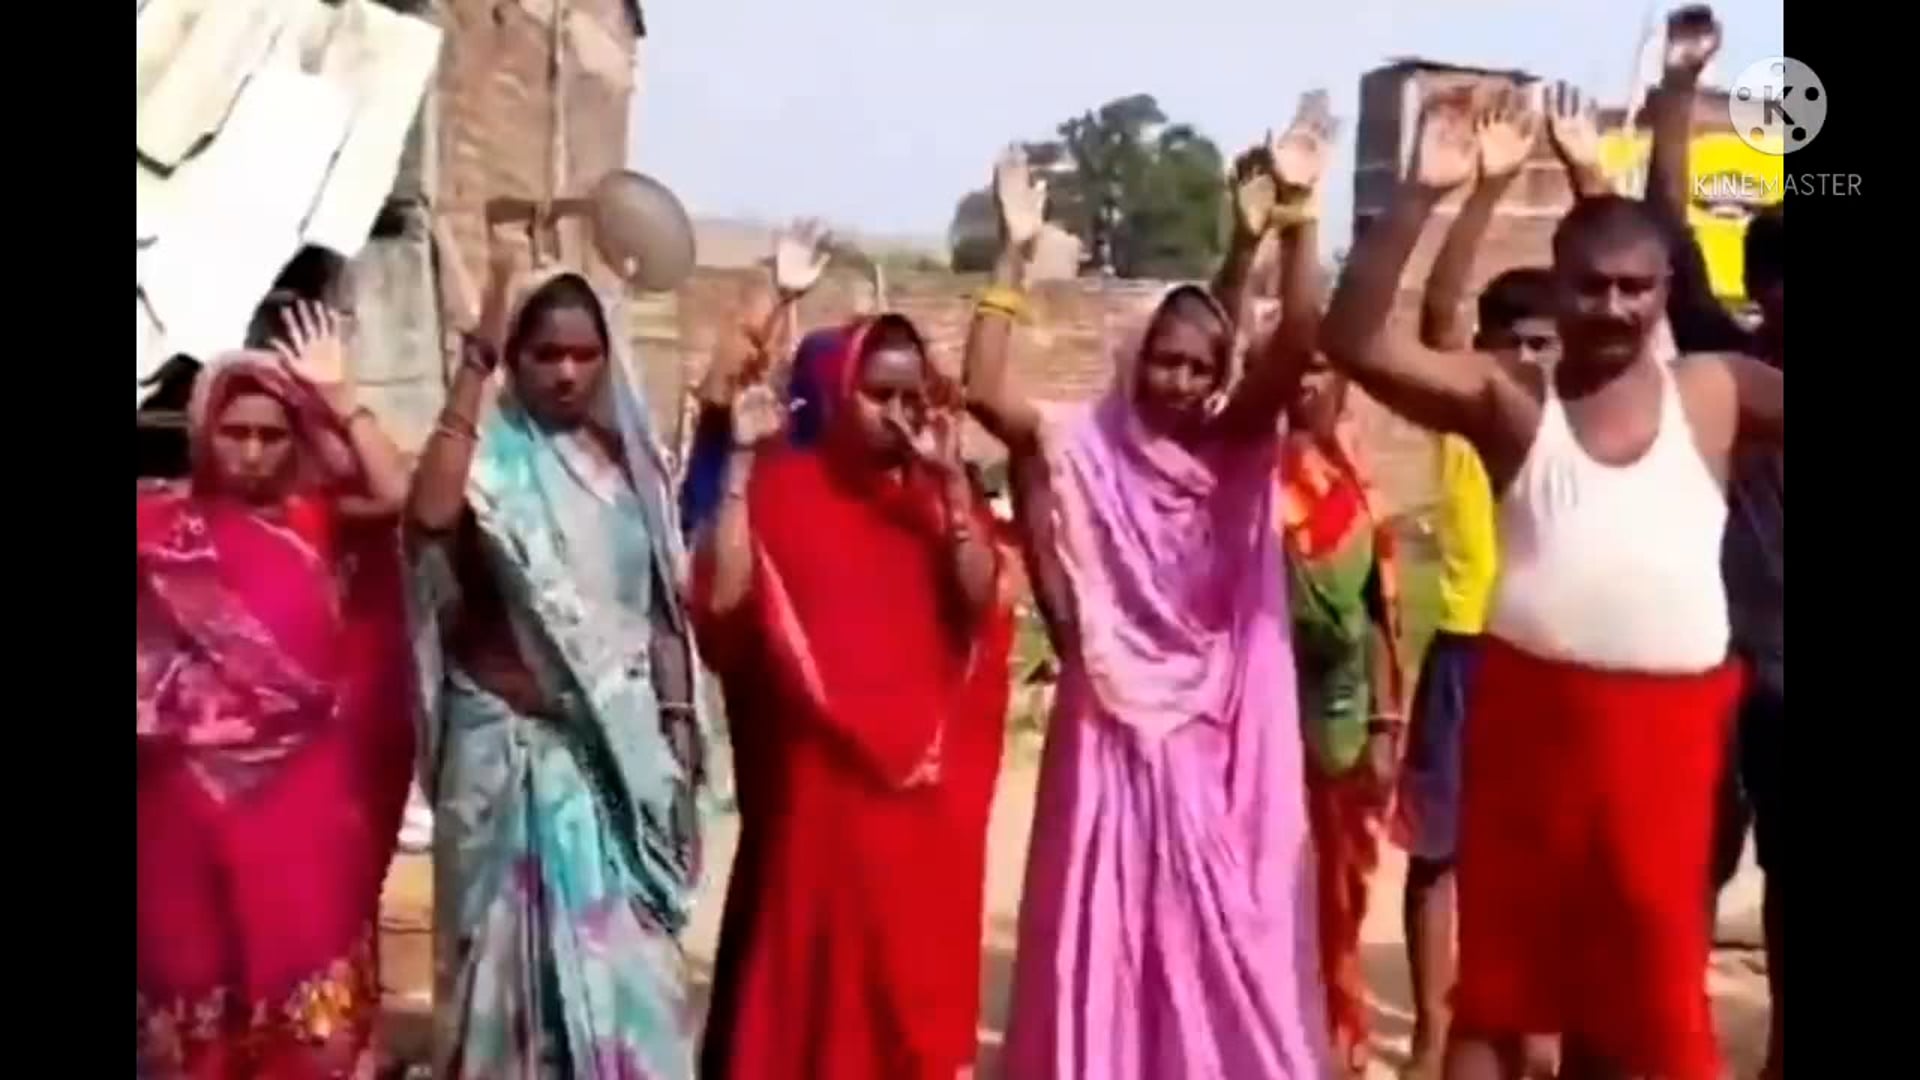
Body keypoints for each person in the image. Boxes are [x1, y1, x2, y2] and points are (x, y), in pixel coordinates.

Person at [1321, 96, 1783, 1080]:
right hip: (1535, 721)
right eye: (1591, 287)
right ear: (1559, 283)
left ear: (1666, 290)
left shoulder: (1714, 393)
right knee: (1504, 992)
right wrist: (1420, 194)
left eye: (1634, 288)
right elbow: (1354, 341)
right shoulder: (1514, 401)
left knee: (1647, 1001)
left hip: (1669, 740)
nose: (1612, 307)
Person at [977, 106, 1338, 1079]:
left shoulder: (1232, 448)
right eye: (1163, 361)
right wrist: (1012, 258)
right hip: (1107, 732)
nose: (1177, 379)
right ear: (1134, 359)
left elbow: (1297, 336)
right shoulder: (1090, 446)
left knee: (1217, 929)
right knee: (1104, 926)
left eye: (1196, 367)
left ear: (1220, 378)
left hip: (1210, 736)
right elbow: (985, 392)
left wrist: (1300, 215)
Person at [405, 249, 708, 1079]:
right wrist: (475, 360)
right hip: (506, 764)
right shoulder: (485, 460)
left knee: (636, 978)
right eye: (545, 353)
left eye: (584, 353)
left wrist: (678, 728)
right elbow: (428, 519)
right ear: (516, 356)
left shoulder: (631, 469)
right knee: (506, 994)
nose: (567, 372)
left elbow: (660, 612)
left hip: (617, 764)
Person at [691, 311, 1013, 1079]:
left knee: (906, 1003)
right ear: (840, 392)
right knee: (814, 999)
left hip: (921, 812)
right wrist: (738, 464)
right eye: (879, 395)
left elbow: (979, 606)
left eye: (911, 397)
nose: (898, 413)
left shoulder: (936, 499)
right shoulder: (784, 490)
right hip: (820, 798)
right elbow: (722, 605)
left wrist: (952, 487)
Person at [137, 302, 414, 1078]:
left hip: (298, 808)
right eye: (236, 433)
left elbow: (396, 494)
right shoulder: (159, 528)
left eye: (272, 435)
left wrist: (341, 400)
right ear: (204, 433)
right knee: (195, 1017)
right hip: (181, 812)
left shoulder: (316, 521)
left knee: (306, 1020)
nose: (253, 452)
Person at [1391, 81, 1593, 1079]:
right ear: (1486, 351)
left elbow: (1637, 311)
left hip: (1555, 662)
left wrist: (1588, 177)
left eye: (1545, 344)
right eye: (1513, 343)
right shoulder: (1472, 409)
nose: (1529, 359)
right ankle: (1432, 1029)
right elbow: (1436, 312)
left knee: (1549, 858)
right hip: (1470, 651)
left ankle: (1528, 1025)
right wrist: (1486, 188)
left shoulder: (1582, 423)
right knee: (1439, 854)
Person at [1649, 10, 1785, 1077]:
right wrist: (1680, 92)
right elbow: (1667, 229)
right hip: (1715, 667)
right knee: (1685, 873)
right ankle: (1670, 1042)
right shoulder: (1724, 366)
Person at [1277, 366, 1405, 1078]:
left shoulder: (1355, 470)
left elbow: (1381, 606)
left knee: (1340, 890)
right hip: (1264, 712)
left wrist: (1385, 722)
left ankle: (1337, 1035)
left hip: (1348, 716)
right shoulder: (1249, 473)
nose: (1307, 383)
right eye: (1296, 365)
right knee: (1272, 889)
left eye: (1322, 369)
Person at [679, 221, 834, 540]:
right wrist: (783, 296)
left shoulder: (797, 396)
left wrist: (787, 298)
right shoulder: (727, 397)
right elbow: (734, 377)